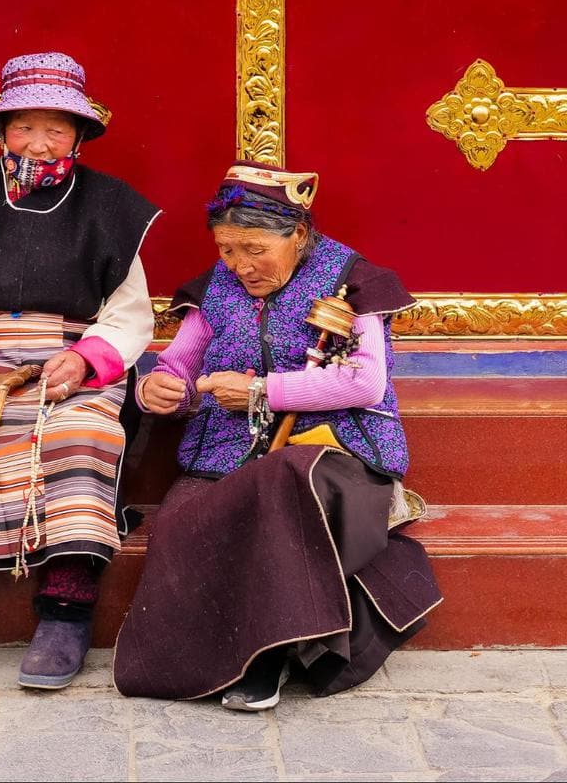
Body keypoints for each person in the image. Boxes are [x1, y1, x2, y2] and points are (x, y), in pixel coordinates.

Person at [113, 162, 441, 711]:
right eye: (227, 249)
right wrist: (159, 391)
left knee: (280, 482)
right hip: (226, 456)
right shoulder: (216, 290)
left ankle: (268, 658)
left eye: (255, 248)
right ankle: (197, 666)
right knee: (180, 519)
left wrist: (265, 392)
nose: (241, 265)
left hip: (335, 458)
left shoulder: (353, 283)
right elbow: (180, 365)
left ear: (300, 235)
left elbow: (365, 381)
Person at [0, 51, 158, 690]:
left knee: (86, 436)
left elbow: (129, 314)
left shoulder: (111, 208)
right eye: (23, 126)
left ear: (79, 134)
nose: (38, 142)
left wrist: (83, 358)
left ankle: (66, 610)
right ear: (2, 130)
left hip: (69, 365)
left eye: (56, 127)